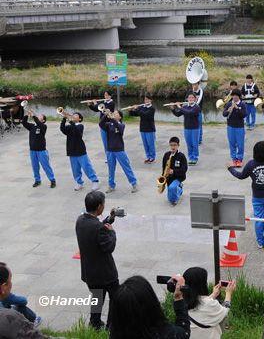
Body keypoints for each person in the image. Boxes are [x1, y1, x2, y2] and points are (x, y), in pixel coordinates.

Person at [75, 190, 119, 329]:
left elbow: (96, 228)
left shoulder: (80, 220)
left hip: (90, 272)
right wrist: (112, 232)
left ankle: (94, 323)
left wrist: (109, 218)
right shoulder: (99, 228)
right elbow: (109, 246)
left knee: (97, 298)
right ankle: (111, 326)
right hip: (105, 273)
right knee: (115, 299)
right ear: (99, 206)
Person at [109, 275, 190, 339]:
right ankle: (96, 319)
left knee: (97, 301)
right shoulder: (164, 333)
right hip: (108, 279)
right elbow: (184, 332)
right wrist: (178, 298)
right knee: (96, 301)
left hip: (103, 281)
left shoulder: (117, 333)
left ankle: (96, 319)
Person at [183, 267, 236, 339]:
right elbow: (224, 310)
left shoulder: (182, 302)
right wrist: (228, 293)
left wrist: (213, 294)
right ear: (202, 285)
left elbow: (201, 304)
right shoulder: (210, 304)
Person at [99, 110, 138, 194]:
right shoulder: (109, 124)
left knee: (126, 167)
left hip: (119, 150)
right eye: (114, 113)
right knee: (111, 169)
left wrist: (112, 118)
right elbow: (101, 124)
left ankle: (134, 183)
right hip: (110, 150)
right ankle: (111, 185)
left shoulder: (121, 125)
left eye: (116, 113)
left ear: (120, 117)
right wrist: (105, 115)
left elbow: (119, 128)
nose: (114, 114)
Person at [60, 112, 100, 192]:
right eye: (73, 115)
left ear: (80, 119)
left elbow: (77, 133)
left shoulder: (80, 126)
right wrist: (64, 119)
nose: (73, 116)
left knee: (86, 167)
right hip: (71, 150)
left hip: (80, 150)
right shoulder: (70, 126)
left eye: (76, 116)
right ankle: (79, 182)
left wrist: (71, 121)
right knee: (75, 169)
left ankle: (95, 181)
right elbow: (63, 129)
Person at [0, 262, 41, 326]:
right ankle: (34, 319)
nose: (11, 283)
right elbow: (23, 301)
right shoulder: (7, 298)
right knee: (19, 307)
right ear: (3, 287)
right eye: (10, 280)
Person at [22, 111, 56, 188]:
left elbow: (38, 122)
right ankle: (37, 180)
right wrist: (27, 115)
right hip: (32, 150)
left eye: (41, 116)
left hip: (41, 151)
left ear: (43, 120)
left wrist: (34, 116)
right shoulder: (32, 126)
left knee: (46, 166)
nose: (39, 116)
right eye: (39, 115)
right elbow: (24, 123)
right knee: (35, 166)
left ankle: (52, 180)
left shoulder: (43, 126)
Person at [172, 92, 201, 165]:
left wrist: (180, 107)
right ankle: (190, 157)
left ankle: (195, 158)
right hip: (187, 128)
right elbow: (178, 114)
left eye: (192, 97)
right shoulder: (185, 107)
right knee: (189, 144)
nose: (190, 99)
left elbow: (190, 113)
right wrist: (172, 108)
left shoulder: (196, 107)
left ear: (195, 99)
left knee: (195, 144)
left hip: (195, 129)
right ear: (187, 99)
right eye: (189, 98)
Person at [88, 90, 116, 158]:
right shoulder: (103, 102)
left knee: (110, 140)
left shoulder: (111, 103)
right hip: (102, 124)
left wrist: (95, 103)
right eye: (105, 95)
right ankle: (108, 156)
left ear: (110, 96)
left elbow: (104, 110)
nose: (105, 96)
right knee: (105, 142)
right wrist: (90, 105)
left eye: (107, 95)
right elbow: (96, 109)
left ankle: (112, 155)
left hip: (109, 123)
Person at [223, 89, 247, 167]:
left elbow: (244, 115)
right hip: (230, 127)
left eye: (236, 96)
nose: (234, 97)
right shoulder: (229, 104)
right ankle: (234, 159)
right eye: (233, 95)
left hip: (239, 127)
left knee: (240, 144)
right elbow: (224, 114)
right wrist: (228, 110)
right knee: (232, 143)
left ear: (239, 96)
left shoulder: (242, 104)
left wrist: (237, 108)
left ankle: (239, 159)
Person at [129, 95, 156, 163]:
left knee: (151, 144)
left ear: (150, 100)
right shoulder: (142, 107)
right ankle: (148, 156)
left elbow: (145, 115)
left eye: (147, 99)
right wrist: (131, 110)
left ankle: (152, 157)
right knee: (145, 144)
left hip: (150, 129)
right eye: (145, 100)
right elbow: (135, 114)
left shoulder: (152, 108)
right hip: (142, 128)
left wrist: (137, 108)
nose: (145, 101)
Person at [162, 137, 188, 206]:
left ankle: (177, 192)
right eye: (171, 145)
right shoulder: (166, 155)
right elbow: (164, 167)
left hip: (178, 177)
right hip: (169, 178)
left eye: (175, 145)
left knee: (172, 190)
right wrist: (163, 178)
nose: (173, 147)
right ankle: (179, 189)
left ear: (178, 145)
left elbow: (184, 169)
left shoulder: (181, 156)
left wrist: (173, 171)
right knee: (169, 198)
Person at [190, 80, 205, 145]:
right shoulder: (190, 92)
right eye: (193, 84)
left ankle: (199, 140)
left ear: (198, 84)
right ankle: (193, 139)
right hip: (191, 112)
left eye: (195, 84)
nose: (194, 86)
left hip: (198, 112)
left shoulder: (201, 92)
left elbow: (201, 102)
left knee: (199, 126)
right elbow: (186, 100)